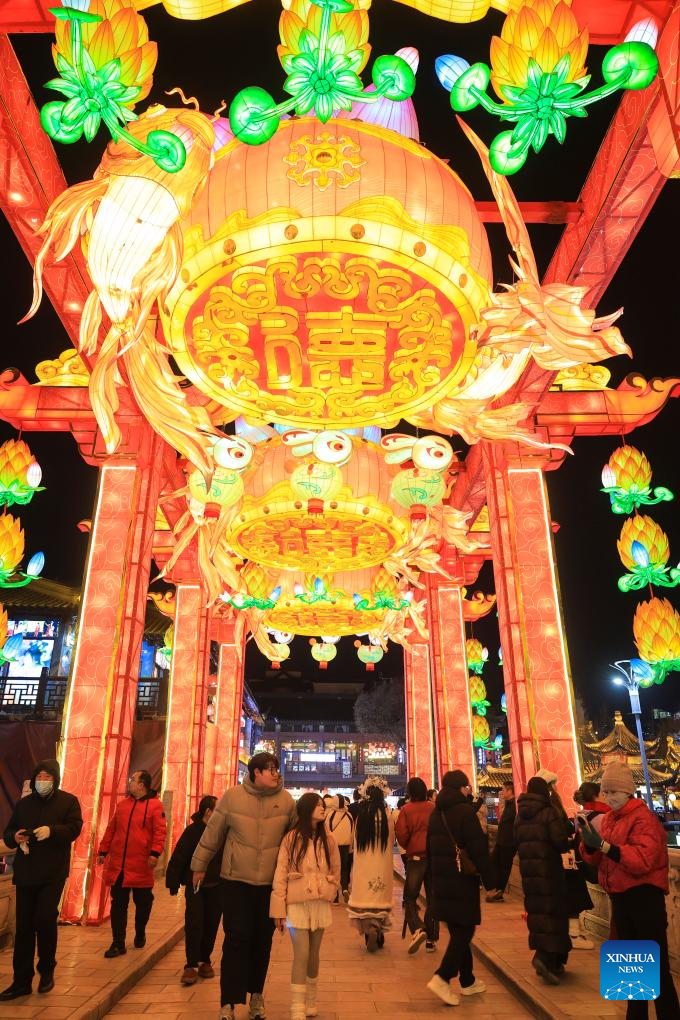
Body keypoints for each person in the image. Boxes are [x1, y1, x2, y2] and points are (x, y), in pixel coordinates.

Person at [191, 751, 295, 1020]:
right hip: (236, 882)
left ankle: (256, 995)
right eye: (270, 769)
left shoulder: (286, 801)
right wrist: (199, 865)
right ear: (255, 772)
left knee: (262, 942)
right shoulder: (232, 797)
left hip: (268, 886)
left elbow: (296, 839)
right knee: (236, 939)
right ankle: (228, 1002)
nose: (276, 774)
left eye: (276, 769)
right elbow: (213, 833)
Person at [579, 762, 680, 1020]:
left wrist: (604, 846)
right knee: (630, 969)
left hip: (644, 900)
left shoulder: (644, 819)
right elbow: (599, 858)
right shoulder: (610, 819)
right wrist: (589, 844)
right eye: (606, 792)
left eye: (613, 792)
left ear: (627, 791)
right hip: (620, 899)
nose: (609, 797)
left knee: (656, 968)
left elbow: (642, 860)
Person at [0, 759, 82, 1001]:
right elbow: (8, 832)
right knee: (24, 927)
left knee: (45, 919)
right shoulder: (24, 804)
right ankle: (21, 981)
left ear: (55, 780)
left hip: (52, 873)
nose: (42, 781)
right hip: (26, 872)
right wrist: (15, 837)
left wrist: (52, 831)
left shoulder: (68, 801)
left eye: (47, 777)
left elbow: (75, 829)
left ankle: (47, 969)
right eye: (39, 777)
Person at [425, 770, 494, 1006]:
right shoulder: (465, 812)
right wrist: (491, 882)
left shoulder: (436, 813)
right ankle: (442, 977)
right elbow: (478, 850)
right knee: (465, 931)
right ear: (461, 788)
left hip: (442, 880)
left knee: (458, 931)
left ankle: (468, 981)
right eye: (467, 787)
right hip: (462, 880)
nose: (468, 791)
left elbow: (430, 850)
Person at [270, 792, 340, 1020]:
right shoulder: (291, 838)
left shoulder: (328, 838)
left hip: (319, 903)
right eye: (318, 805)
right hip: (297, 903)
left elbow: (336, 869)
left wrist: (329, 889)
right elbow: (280, 873)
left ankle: (311, 1001)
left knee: (314, 954)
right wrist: (278, 909)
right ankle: (297, 1006)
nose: (322, 808)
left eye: (323, 805)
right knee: (301, 953)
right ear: (306, 809)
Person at [97, 769, 166, 957]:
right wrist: (103, 850)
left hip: (142, 865)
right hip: (119, 865)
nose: (130, 782)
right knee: (118, 904)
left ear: (142, 785)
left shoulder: (155, 806)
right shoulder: (122, 805)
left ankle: (140, 931)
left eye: (133, 779)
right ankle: (118, 943)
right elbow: (111, 829)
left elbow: (160, 832)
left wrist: (155, 853)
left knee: (143, 903)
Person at [515, 775, 571, 985]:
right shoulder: (549, 812)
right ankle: (545, 957)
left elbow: (516, 841)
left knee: (538, 913)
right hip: (549, 872)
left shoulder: (520, 816)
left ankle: (548, 960)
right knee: (554, 913)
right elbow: (560, 842)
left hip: (529, 873)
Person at [166, 795, 222, 986]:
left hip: (217, 887)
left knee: (211, 924)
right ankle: (190, 964)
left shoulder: (221, 832)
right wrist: (173, 881)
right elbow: (179, 856)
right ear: (208, 812)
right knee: (194, 923)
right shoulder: (192, 831)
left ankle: (205, 960)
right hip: (195, 886)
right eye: (217, 809)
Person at [347, 776, 394, 952]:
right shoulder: (386, 815)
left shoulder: (361, 816)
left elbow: (354, 840)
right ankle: (378, 931)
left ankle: (369, 931)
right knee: (380, 899)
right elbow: (392, 840)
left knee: (365, 900)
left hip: (364, 865)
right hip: (382, 864)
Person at [395, 776, 437, 954]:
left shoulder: (406, 810)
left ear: (410, 792)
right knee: (433, 898)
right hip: (433, 857)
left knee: (410, 897)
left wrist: (410, 845)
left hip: (416, 858)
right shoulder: (433, 808)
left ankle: (418, 928)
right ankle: (431, 940)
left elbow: (401, 835)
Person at [486, 781, 516, 902]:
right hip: (501, 840)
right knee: (493, 863)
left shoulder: (515, 806)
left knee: (504, 867)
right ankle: (496, 890)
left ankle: (499, 892)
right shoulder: (508, 804)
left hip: (509, 842)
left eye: (503, 789)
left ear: (510, 791)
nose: (501, 792)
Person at [323, 794, 353, 902]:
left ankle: (335, 896)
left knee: (333, 869)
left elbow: (326, 832)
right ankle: (344, 888)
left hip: (333, 846)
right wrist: (351, 847)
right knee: (344, 869)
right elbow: (352, 832)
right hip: (346, 846)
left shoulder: (330, 815)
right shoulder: (349, 815)